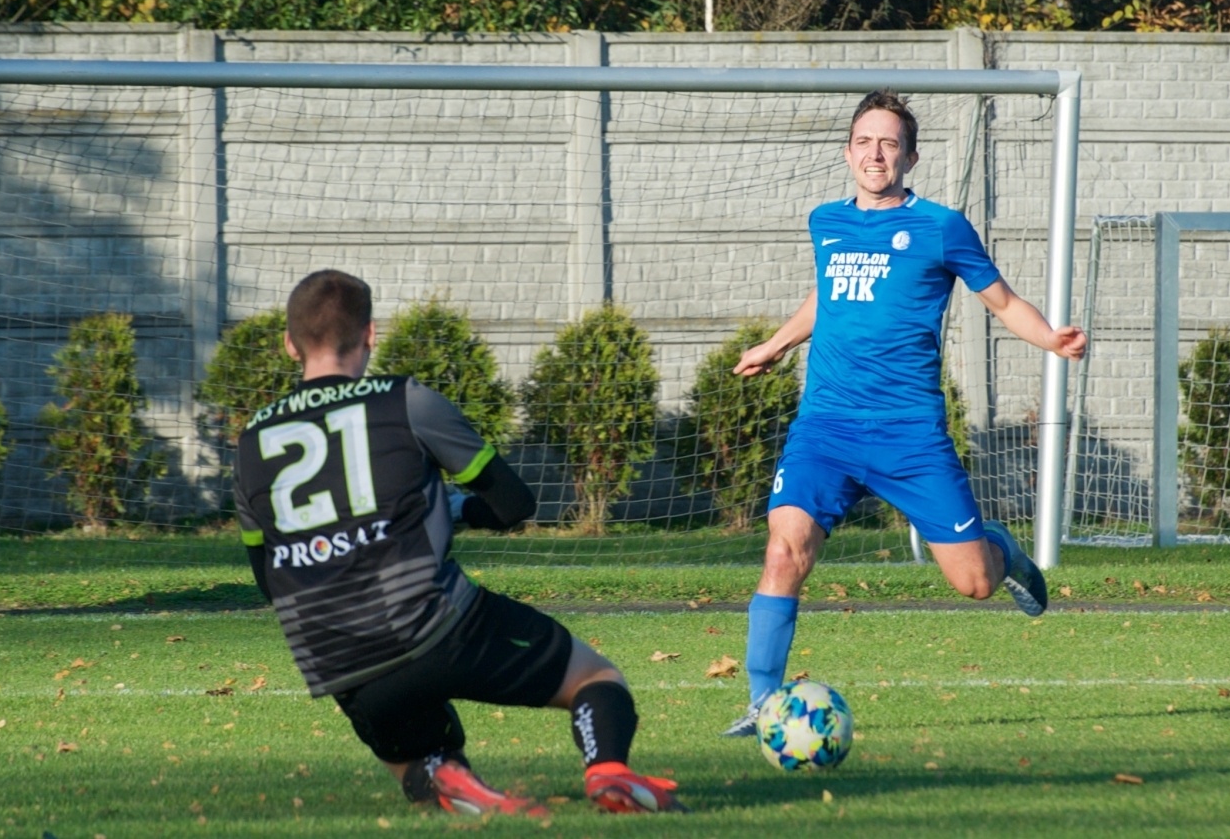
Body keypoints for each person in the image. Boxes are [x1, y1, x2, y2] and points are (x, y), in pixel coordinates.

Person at [234, 270, 685, 816]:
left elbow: (267, 573)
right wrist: (453, 507)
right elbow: (514, 504)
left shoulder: (252, 440)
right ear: (371, 334)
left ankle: (440, 774)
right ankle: (609, 772)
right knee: (595, 678)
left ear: (289, 343)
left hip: (335, 657)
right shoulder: (405, 400)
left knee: (417, 751)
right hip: (437, 626)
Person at [721, 90, 1088, 737]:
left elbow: (1001, 302)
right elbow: (829, 296)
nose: (876, 153)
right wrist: (775, 345)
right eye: (865, 141)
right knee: (784, 551)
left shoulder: (942, 227)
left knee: (974, 583)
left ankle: (1001, 549)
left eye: (889, 143)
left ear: (910, 156)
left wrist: (1052, 338)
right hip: (825, 429)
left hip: (909, 435)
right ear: (847, 151)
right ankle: (763, 702)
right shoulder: (825, 221)